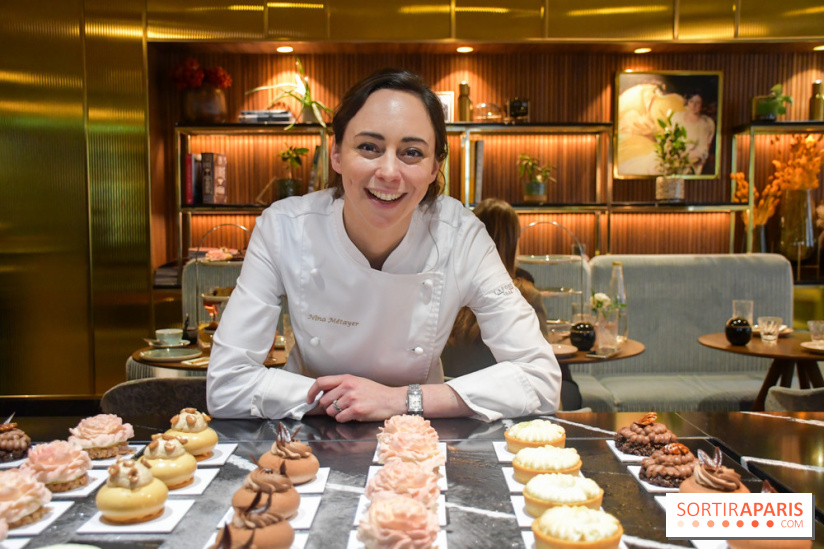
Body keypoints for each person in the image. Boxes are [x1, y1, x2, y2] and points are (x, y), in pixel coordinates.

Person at [206, 68, 562, 422]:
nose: (389, 172)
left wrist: (399, 401)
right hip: (306, 434)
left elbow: (541, 379)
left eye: (411, 152)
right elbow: (226, 385)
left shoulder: (461, 235)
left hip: (420, 435)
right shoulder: (284, 228)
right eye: (369, 147)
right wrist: (350, 400)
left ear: (435, 167)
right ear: (337, 154)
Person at [443, 198, 582, 410]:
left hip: (451, 393)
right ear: (514, 241)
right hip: (506, 402)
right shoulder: (524, 294)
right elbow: (541, 372)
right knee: (568, 387)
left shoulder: (446, 289)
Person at [671, 93, 715, 175]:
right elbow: (671, 138)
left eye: (697, 102)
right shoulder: (677, 118)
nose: (694, 105)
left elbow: (702, 150)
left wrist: (685, 156)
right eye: (691, 101)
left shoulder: (704, 125)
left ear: (702, 105)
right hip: (674, 159)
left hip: (691, 163)